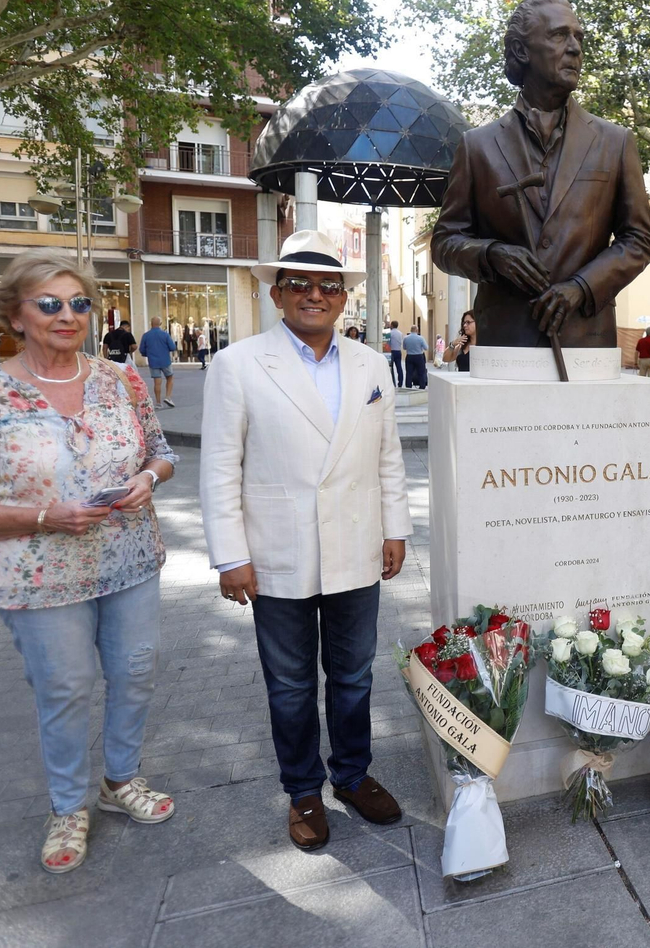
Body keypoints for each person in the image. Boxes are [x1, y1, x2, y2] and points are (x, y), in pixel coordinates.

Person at [0, 250, 178, 874]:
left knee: (136, 673)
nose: (67, 315)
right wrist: (47, 516)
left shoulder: (121, 380)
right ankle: (68, 806)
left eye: (79, 303)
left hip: (128, 560)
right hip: (39, 578)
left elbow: (161, 451)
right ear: (15, 316)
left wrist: (149, 477)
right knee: (65, 689)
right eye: (49, 304)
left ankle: (120, 781)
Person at [200, 229, 413, 851]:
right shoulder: (238, 364)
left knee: (354, 676)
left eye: (328, 286)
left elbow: (388, 456)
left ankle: (352, 774)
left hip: (356, 545)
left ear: (343, 298)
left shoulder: (371, 364)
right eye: (299, 284)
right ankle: (302, 790)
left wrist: (395, 527)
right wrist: (231, 556)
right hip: (277, 551)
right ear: (277, 293)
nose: (314, 295)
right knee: (290, 685)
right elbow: (220, 467)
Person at [430, 0, 650, 350]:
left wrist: (582, 287)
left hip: (586, 340)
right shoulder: (477, 146)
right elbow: (445, 243)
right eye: (559, 35)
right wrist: (492, 255)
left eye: (578, 37)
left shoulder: (615, 142)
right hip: (505, 342)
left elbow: (639, 239)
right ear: (521, 50)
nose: (575, 48)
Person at [139, 317, 178, 408]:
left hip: (153, 361)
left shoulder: (146, 335)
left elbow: (142, 349)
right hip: (165, 360)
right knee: (170, 377)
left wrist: (148, 354)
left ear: (151, 324)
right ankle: (168, 397)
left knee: (157, 382)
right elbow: (172, 347)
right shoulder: (165, 335)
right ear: (160, 324)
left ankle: (158, 402)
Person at [402, 324, 429, 389]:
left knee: (409, 372)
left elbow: (404, 348)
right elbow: (426, 348)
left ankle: (408, 385)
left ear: (410, 330)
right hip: (419, 356)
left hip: (409, 356)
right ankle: (422, 386)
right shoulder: (420, 338)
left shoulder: (406, 338)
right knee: (421, 372)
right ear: (417, 330)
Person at [386, 321, 406, 388]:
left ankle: (391, 382)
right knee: (399, 368)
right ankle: (400, 383)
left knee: (390, 368)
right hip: (398, 351)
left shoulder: (390, 333)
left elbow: (388, 342)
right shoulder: (400, 333)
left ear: (392, 325)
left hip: (391, 352)